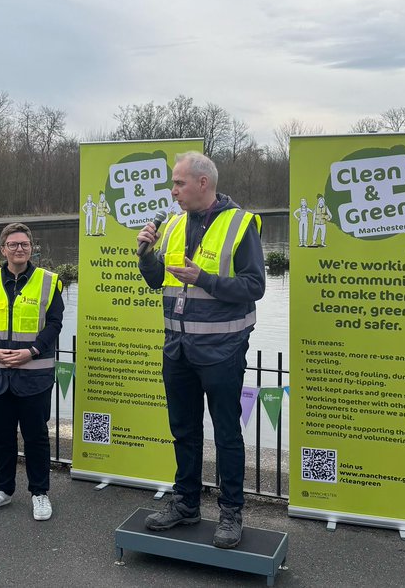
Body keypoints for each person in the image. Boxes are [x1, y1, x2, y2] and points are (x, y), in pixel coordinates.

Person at [135, 151, 265, 549]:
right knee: (184, 431)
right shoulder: (173, 224)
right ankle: (186, 504)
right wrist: (144, 254)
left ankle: (230, 514)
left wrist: (204, 278)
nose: (173, 191)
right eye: (174, 184)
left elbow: (254, 286)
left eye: (179, 183)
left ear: (202, 183)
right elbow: (158, 281)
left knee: (226, 434)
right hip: (177, 348)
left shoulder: (241, 225)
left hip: (222, 349)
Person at [0, 223, 64, 521]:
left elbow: (54, 324)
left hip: (34, 375)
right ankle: (3, 489)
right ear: (2, 249)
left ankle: (40, 493)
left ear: (32, 247)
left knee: (36, 436)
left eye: (24, 244)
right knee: (2, 435)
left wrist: (31, 351)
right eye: (13, 244)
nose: (19, 249)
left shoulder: (49, 282)